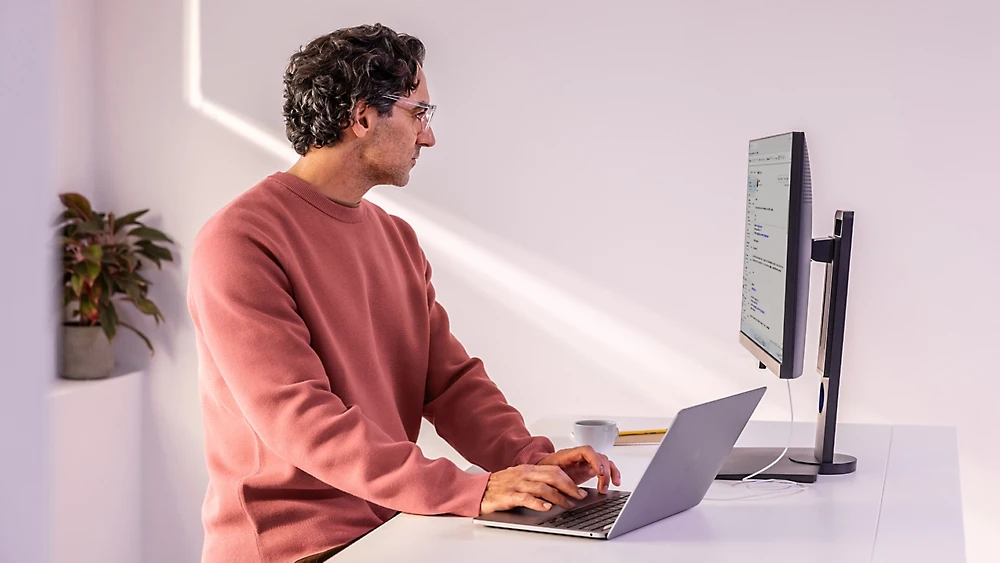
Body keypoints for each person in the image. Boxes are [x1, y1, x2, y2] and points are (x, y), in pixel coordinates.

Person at [187, 23, 621, 563]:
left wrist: (532, 461)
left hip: (389, 526)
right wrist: (472, 491)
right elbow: (302, 421)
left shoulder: (394, 236)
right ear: (364, 115)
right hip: (298, 548)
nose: (428, 136)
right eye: (419, 113)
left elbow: (449, 383)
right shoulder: (240, 241)